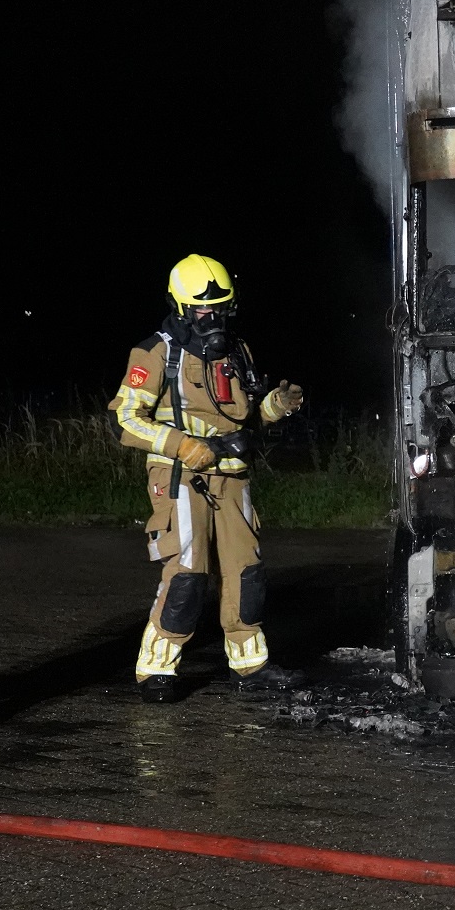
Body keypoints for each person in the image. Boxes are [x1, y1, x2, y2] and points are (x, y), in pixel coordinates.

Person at [110, 254, 305, 702]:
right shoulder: (155, 353)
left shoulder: (236, 351)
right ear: (180, 307)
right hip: (181, 475)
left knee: (246, 572)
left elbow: (244, 417)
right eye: (202, 311)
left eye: (220, 309)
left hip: (233, 476)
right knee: (187, 574)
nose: (212, 318)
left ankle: (250, 665)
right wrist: (186, 447)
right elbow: (126, 420)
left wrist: (277, 404)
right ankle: (157, 668)